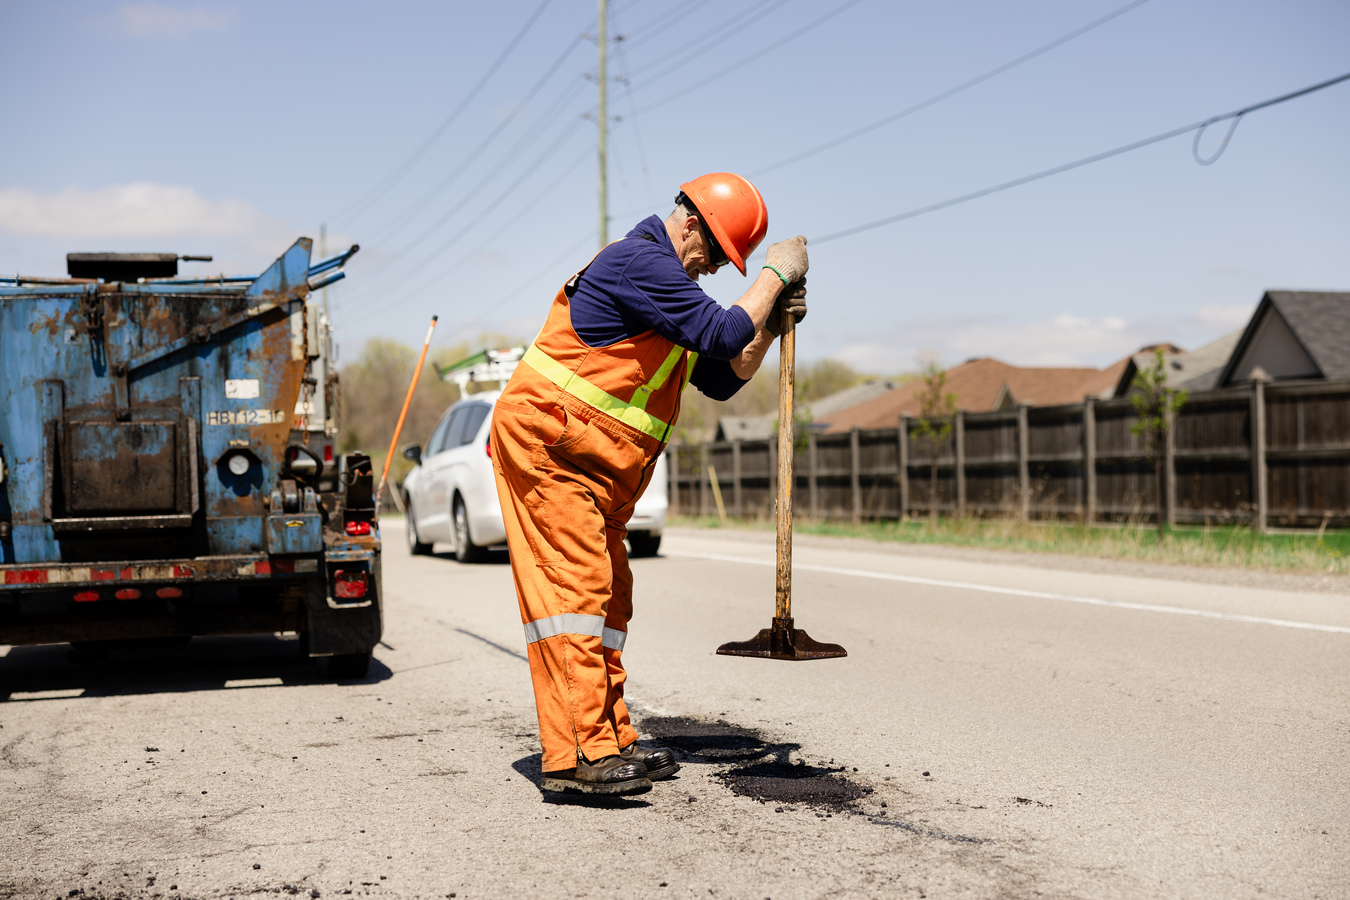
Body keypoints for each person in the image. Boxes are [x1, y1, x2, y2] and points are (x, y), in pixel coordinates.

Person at [490, 173, 808, 796]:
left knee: (611, 599)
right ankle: (578, 754)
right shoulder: (639, 263)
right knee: (576, 594)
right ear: (692, 223)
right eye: (716, 255)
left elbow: (724, 372)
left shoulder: (670, 292)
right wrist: (771, 275)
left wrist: (771, 323)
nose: (715, 270)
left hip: (596, 468)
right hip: (550, 448)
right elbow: (721, 331)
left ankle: (610, 738)